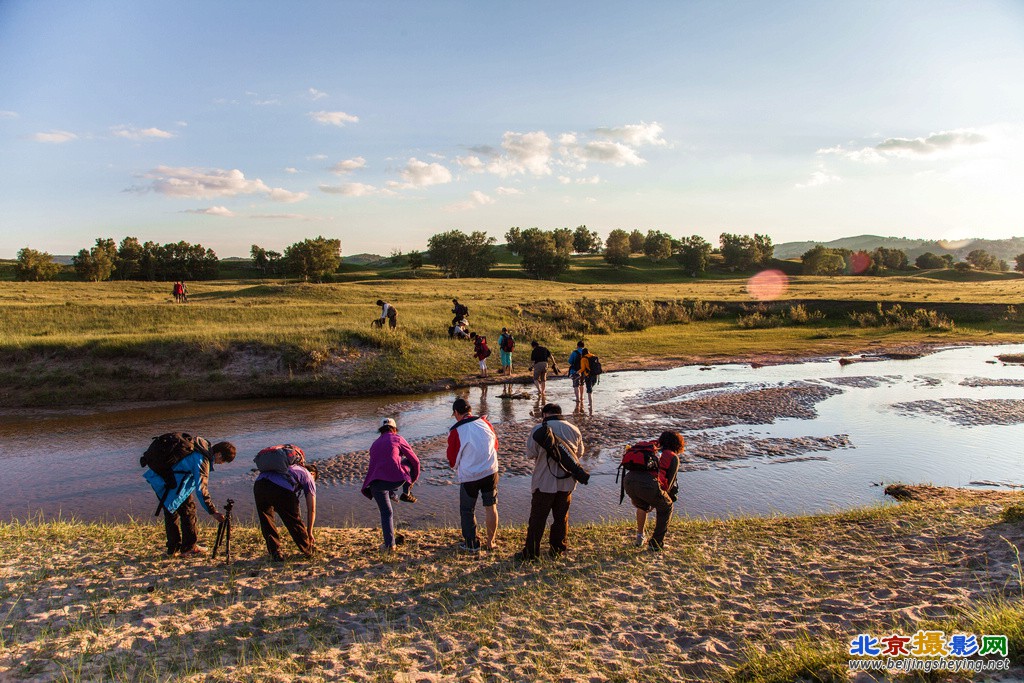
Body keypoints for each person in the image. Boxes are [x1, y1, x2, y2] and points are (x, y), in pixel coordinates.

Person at [144, 438, 237, 557]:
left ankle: (175, 549)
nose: (221, 463)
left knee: (179, 511)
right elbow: (201, 489)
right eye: (223, 460)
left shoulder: (199, 449)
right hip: (169, 485)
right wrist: (213, 511)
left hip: (163, 480)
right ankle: (186, 548)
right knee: (184, 512)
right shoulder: (202, 460)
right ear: (218, 454)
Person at [516, 403, 584, 561]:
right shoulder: (574, 429)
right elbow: (579, 454)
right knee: (561, 518)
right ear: (560, 413)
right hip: (566, 482)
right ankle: (557, 549)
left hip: (544, 482)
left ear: (544, 414)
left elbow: (531, 454)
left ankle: (531, 553)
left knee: (537, 519)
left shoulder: (538, 429)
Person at [446, 397, 500, 551]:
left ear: (456, 412)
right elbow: (495, 445)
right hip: (490, 471)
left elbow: (452, 460)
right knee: (491, 506)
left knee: (467, 510)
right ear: (470, 410)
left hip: (470, 476)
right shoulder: (485, 422)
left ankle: (471, 543)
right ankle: (491, 542)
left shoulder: (456, 430)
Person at [362, 418, 422, 551]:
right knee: (407, 461)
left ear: (381, 431)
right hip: (396, 479)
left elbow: (378, 466)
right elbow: (416, 462)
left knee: (386, 513)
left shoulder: (374, 444)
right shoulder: (398, 438)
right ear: (394, 429)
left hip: (375, 484)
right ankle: (405, 492)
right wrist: (412, 481)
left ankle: (390, 545)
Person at [623, 431, 683, 551]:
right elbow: (668, 486)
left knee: (643, 506)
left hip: (628, 482)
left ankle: (640, 537)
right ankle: (656, 543)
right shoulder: (672, 457)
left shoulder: (653, 452)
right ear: (678, 444)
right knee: (667, 506)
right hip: (647, 485)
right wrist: (658, 501)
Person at [254, 455, 318, 562]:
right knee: (293, 520)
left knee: (266, 520)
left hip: (259, 484)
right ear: (313, 474)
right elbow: (311, 509)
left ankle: (275, 552)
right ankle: (308, 550)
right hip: (280, 488)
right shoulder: (308, 476)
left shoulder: (287, 467)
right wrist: (309, 531)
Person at [579, 347, 599, 414]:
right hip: (595, 374)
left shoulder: (583, 358)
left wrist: (577, 372)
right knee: (591, 388)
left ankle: (590, 404)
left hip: (588, 375)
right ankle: (591, 404)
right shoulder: (594, 356)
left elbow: (582, 368)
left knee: (589, 389)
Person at [567, 341, 586, 405]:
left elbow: (570, 361)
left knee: (576, 385)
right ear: (584, 346)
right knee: (582, 384)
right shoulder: (586, 352)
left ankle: (577, 399)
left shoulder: (574, 352)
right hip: (583, 371)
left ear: (577, 345)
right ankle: (582, 397)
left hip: (575, 371)